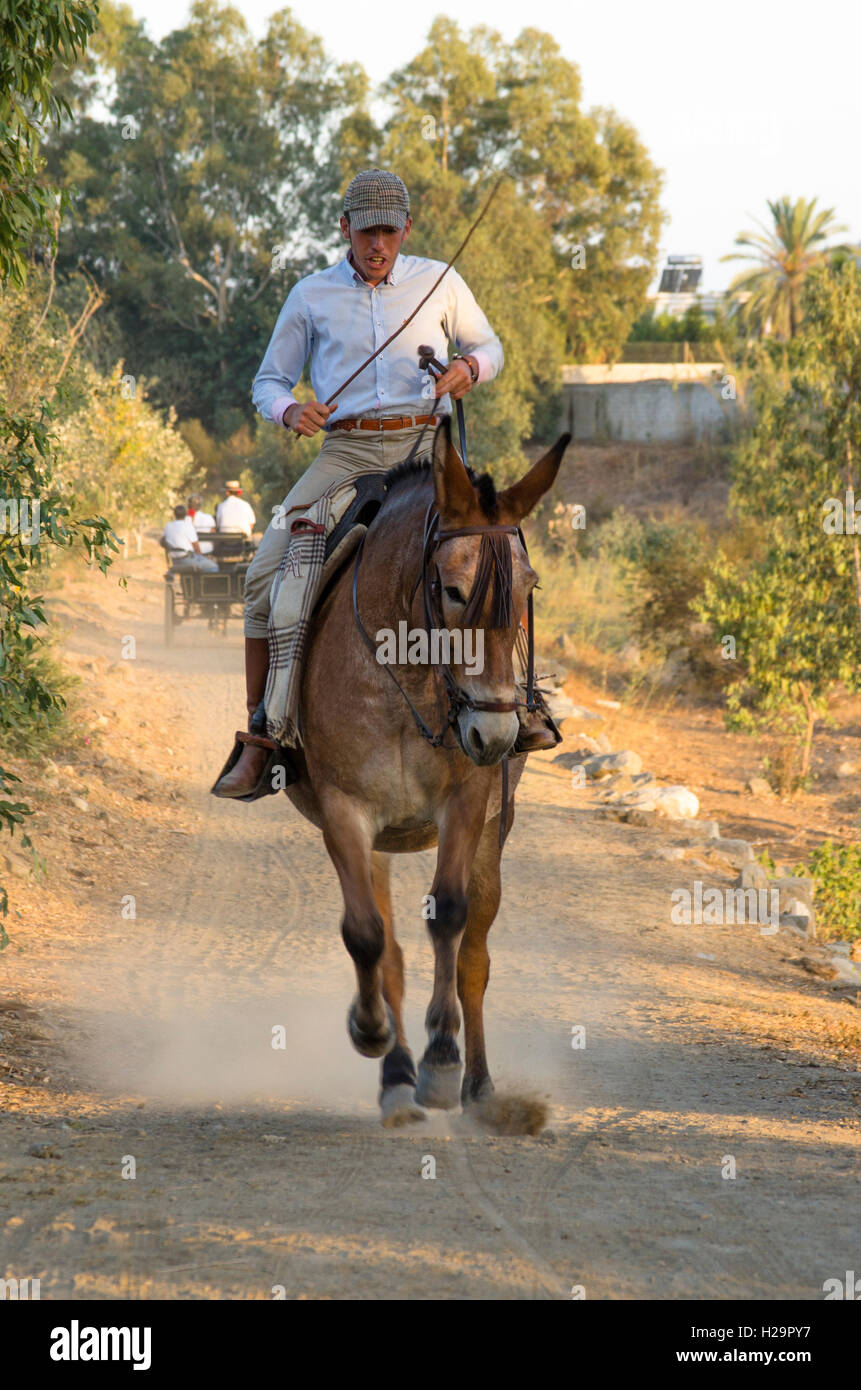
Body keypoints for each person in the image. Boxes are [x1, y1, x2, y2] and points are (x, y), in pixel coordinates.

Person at [213, 167, 555, 800]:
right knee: (263, 579)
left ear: (407, 230)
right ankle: (265, 735)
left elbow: (492, 346)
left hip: (430, 448)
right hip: (346, 452)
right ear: (344, 228)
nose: (379, 246)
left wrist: (469, 367)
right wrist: (291, 410)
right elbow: (269, 382)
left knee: (504, 555)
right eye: (368, 231)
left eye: (390, 233)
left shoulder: (441, 281)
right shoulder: (310, 295)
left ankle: (525, 703)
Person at [161, 505, 218, 572]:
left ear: (174, 514)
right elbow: (196, 546)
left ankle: (171, 574)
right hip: (187, 559)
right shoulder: (187, 525)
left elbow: (162, 541)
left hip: (174, 560)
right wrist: (201, 558)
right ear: (185, 514)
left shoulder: (168, 525)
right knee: (213, 566)